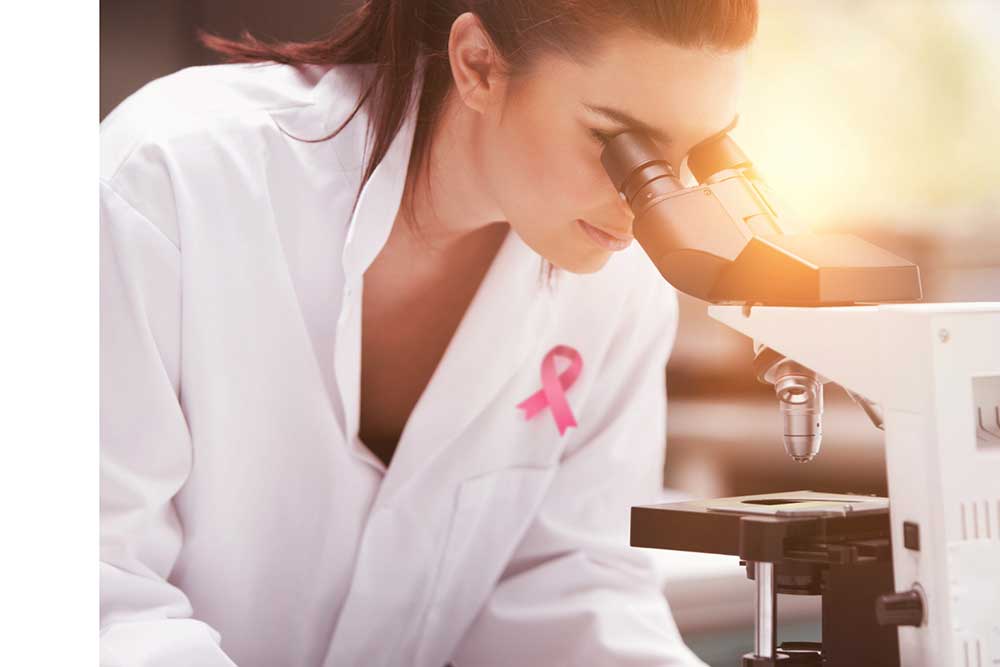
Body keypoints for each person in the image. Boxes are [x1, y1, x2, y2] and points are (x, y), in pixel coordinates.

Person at [99, 1, 755, 665]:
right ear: (478, 66)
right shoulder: (168, 181)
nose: (645, 206)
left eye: (691, 159)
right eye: (619, 144)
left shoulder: (616, 288)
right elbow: (95, 590)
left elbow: (568, 588)